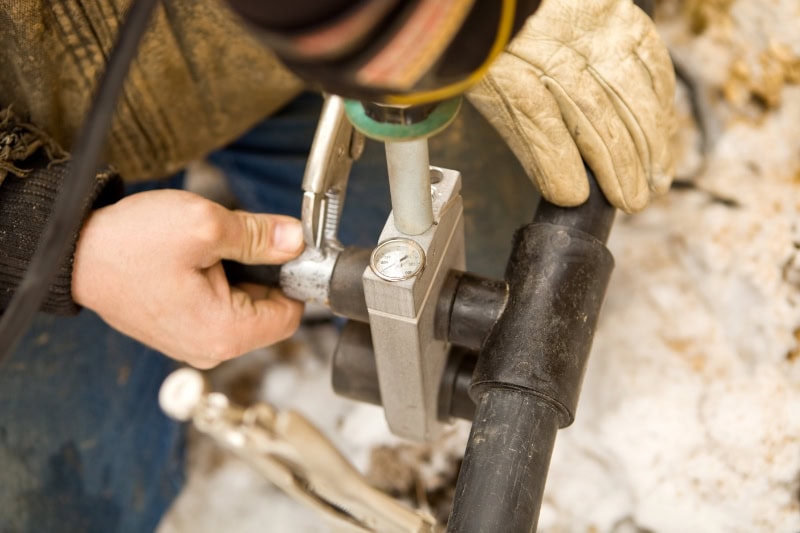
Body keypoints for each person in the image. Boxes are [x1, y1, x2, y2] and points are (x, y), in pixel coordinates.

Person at [0, 0, 675, 531]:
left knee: (505, 239)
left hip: (266, 62)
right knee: (54, 499)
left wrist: (483, 17)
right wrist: (52, 238)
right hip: (33, 147)